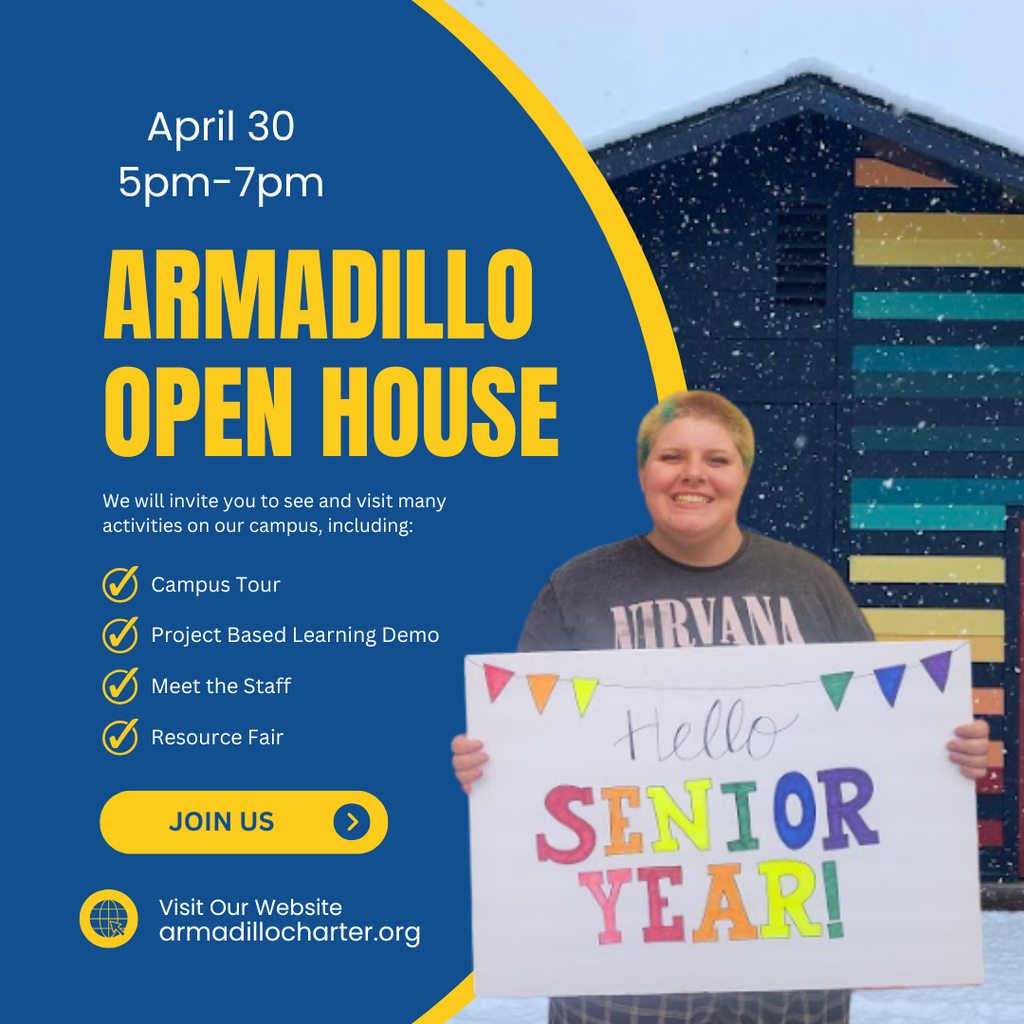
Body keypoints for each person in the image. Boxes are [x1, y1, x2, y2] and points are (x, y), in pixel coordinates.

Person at [453, 391, 990, 1024]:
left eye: (718, 458)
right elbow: (529, 752)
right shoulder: (579, 585)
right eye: (670, 456)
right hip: (621, 967)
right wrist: (489, 765)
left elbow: (875, 733)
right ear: (643, 471)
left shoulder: (808, 582)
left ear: (744, 473)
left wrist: (947, 751)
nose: (693, 474)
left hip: (788, 959)